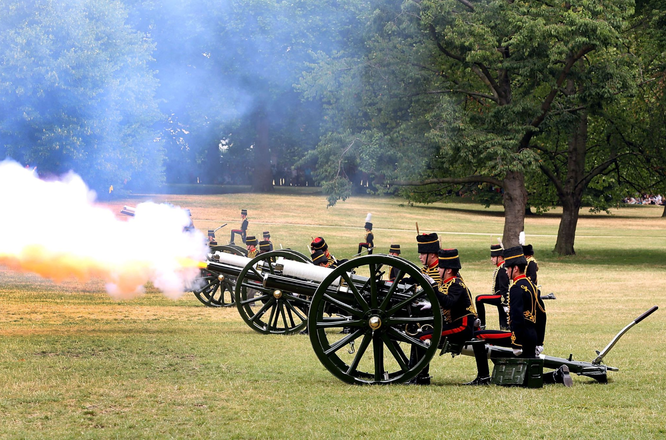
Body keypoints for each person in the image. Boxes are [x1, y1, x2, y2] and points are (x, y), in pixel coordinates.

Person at [408, 249, 488, 385]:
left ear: (449, 270)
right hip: (456, 324)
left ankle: (422, 377)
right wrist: (431, 305)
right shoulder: (447, 284)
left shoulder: (456, 284)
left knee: (422, 338)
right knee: (421, 335)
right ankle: (417, 373)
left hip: (462, 326)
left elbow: (448, 302)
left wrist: (433, 287)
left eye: (440, 268)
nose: (438, 270)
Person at [503, 246, 570, 386]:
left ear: (515, 268)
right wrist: (540, 341)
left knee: (523, 379)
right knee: (530, 374)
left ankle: (556, 376)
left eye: (507, 268)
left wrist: (516, 343)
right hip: (532, 336)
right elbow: (542, 315)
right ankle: (556, 376)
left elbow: (517, 317)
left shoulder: (515, 288)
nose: (506, 271)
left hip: (522, 337)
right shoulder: (531, 285)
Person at [474, 243, 509, 330]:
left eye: (493, 257)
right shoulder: (500, 267)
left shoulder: (502, 269)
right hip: (499, 297)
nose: (491, 259)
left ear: (500, 257)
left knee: (479, 299)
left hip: (501, 298)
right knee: (503, 323)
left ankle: (482, 325)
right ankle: (504, 328)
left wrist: (505, 303)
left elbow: (504, 288)